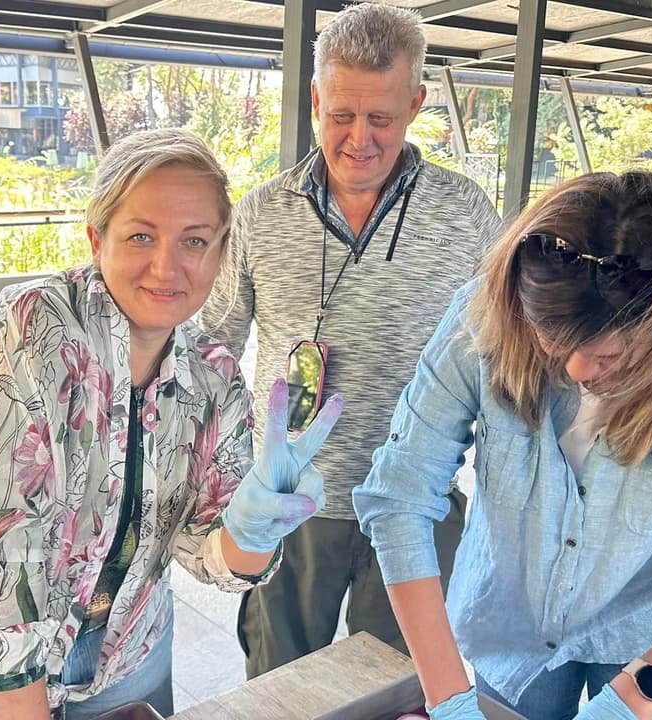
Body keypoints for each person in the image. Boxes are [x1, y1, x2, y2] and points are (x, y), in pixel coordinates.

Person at [0, 127, 342, 720]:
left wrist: (254, 532)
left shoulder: (214, 376)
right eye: (140, 236)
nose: (167, 266)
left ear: (221, 252)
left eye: (195, 240)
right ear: (96, 239)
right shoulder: (30, 331)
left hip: (124, 663)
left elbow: (207, 553)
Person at [354, 171, 652, 719]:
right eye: (552, 341)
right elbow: (401, 496)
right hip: (513, 623)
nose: (576, 371)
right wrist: (448, 697)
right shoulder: (481, 315)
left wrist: (635, 699)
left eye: (609, 355)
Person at [201, 2, 500, 678]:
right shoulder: (262, 212)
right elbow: (212, 350)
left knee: (397, 687)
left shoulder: (467, 213)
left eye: (381, 118)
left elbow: (506, 357)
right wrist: (225, 478)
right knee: (280, 688)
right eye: (341, 115)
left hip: (417, 502)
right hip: (287, 504)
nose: (359, 139)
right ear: (315, 101)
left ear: (416, 104)